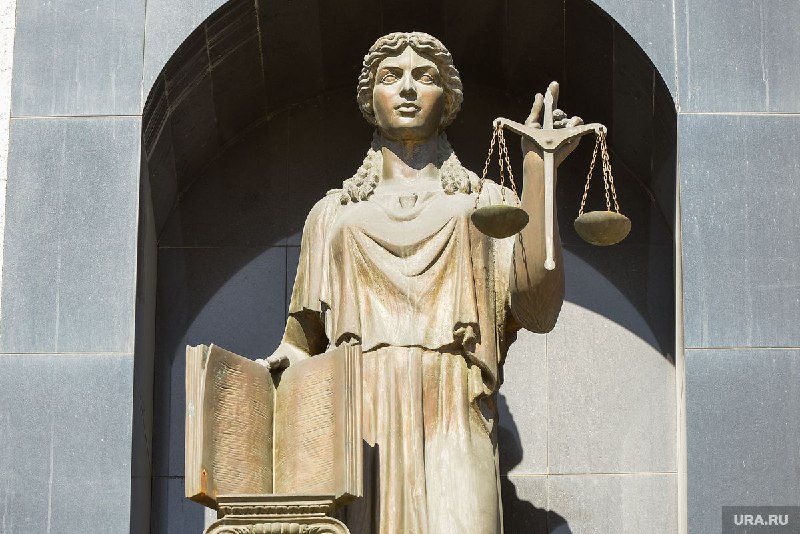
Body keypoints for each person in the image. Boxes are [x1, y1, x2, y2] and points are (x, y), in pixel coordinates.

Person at [260, 31, 583, 534]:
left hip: (456, 404)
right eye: (391, 77)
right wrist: (270, 376)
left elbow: (539, 308)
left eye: (424, 76)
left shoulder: (487, 203)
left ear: (447, 99)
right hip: (360, 416)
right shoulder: (331, 215)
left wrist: (538, 172)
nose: (408, 88)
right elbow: (301, 343)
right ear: (370, 99)